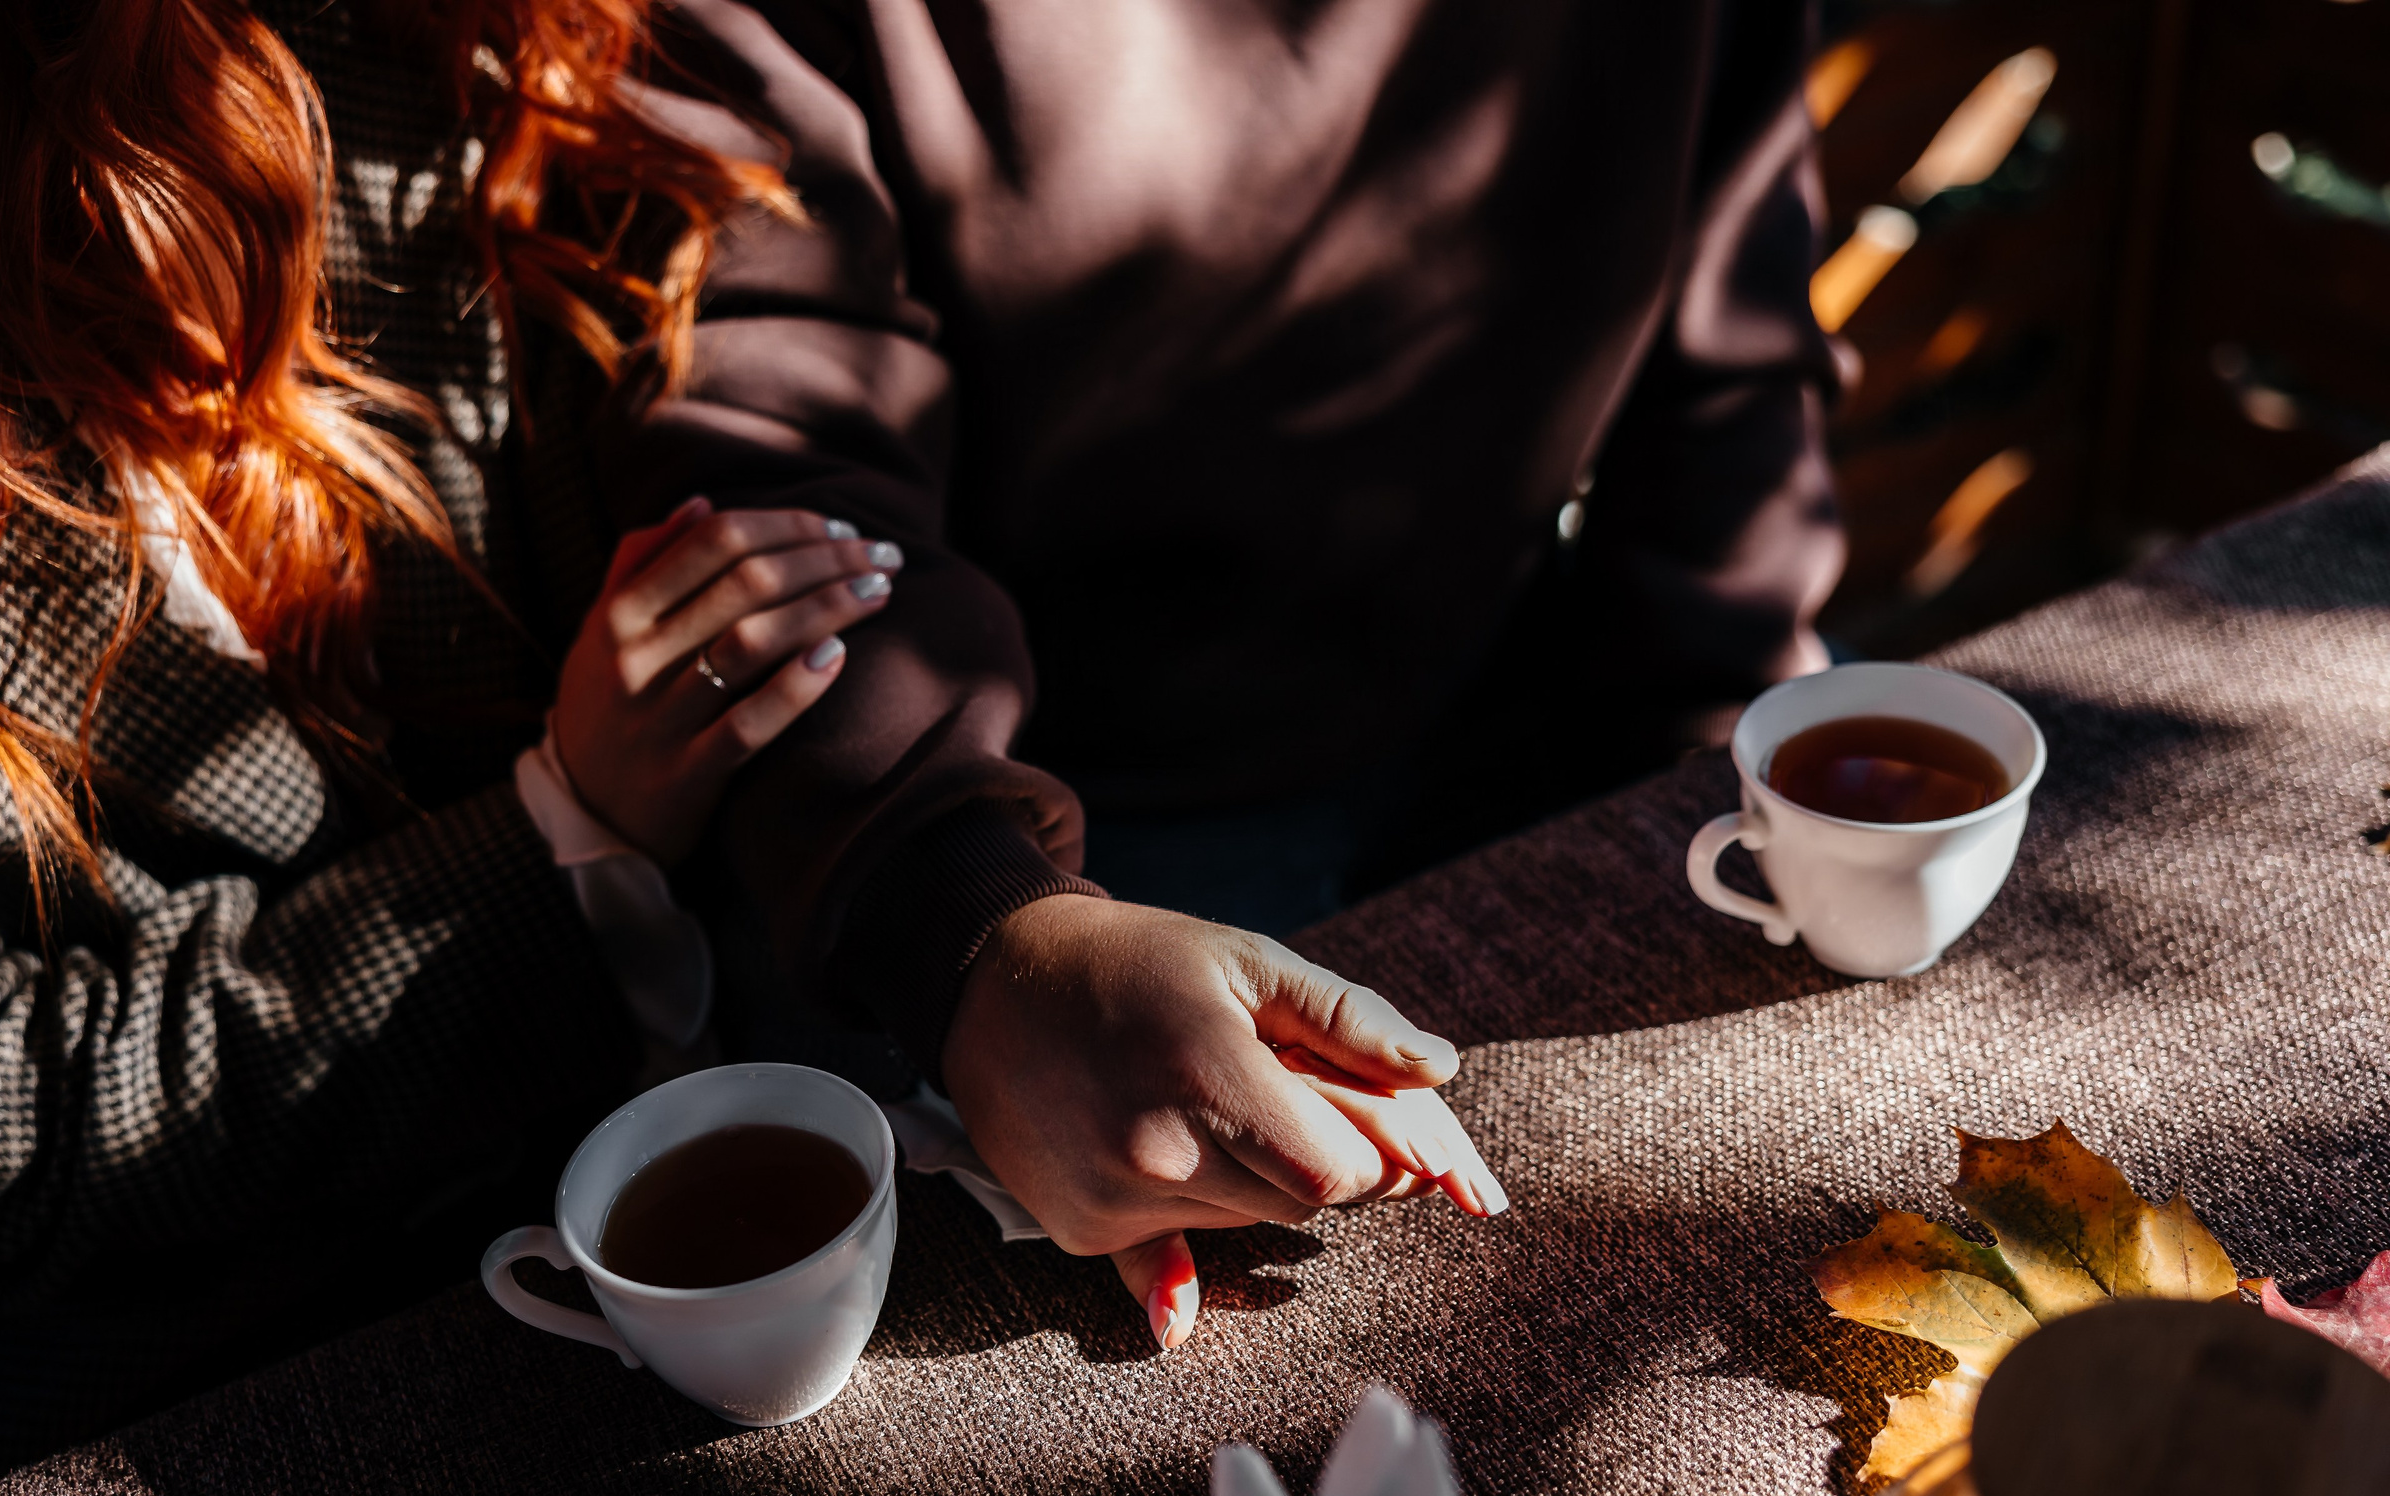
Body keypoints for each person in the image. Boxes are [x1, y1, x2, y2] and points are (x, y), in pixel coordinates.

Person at [0, 0, 1494, 1496]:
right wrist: (564, 836)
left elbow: (762, 506)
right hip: (143, 1434)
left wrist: (981, 975)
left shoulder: (464, 58)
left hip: (701, 1217)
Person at [601, 1, 1841, 1347]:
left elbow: (1730, 383)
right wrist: (977, 934)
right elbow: (781, 489)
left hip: (1524, 733)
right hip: (1035, 847)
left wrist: (1713, 773)